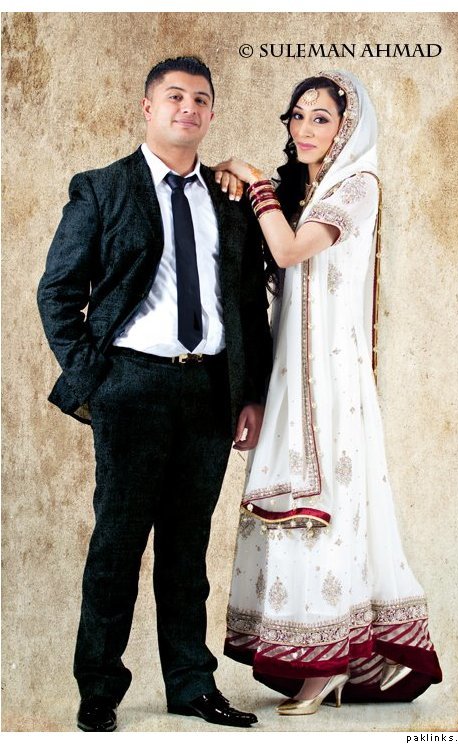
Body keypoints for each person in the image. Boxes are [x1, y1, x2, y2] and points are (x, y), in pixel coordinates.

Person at [37, 56, 272, 731]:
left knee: (187, 550)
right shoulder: (102, 188)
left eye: (201, 99)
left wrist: (249, 393)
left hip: (209, 389)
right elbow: (58, 293)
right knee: (117, 545)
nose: (188, 108)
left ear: (212, 113)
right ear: (148, 108)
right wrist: (96, 378)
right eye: (175, 97)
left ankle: (192, 685)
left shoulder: (229, 198)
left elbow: (247, 305)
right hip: (131, 386)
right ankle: (99, 689)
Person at [214, 70, 442, 714]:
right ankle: (315, 652)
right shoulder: (304, 191)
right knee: (292, 505)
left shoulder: (357, 186)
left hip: (331, 378)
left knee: (327, 505)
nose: (306, 128)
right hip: (291, 371)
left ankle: (329, 660)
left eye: (322, 118)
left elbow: (288, 251)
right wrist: (237, 173)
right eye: (298, 115)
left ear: (347, 128)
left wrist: (252, 180)